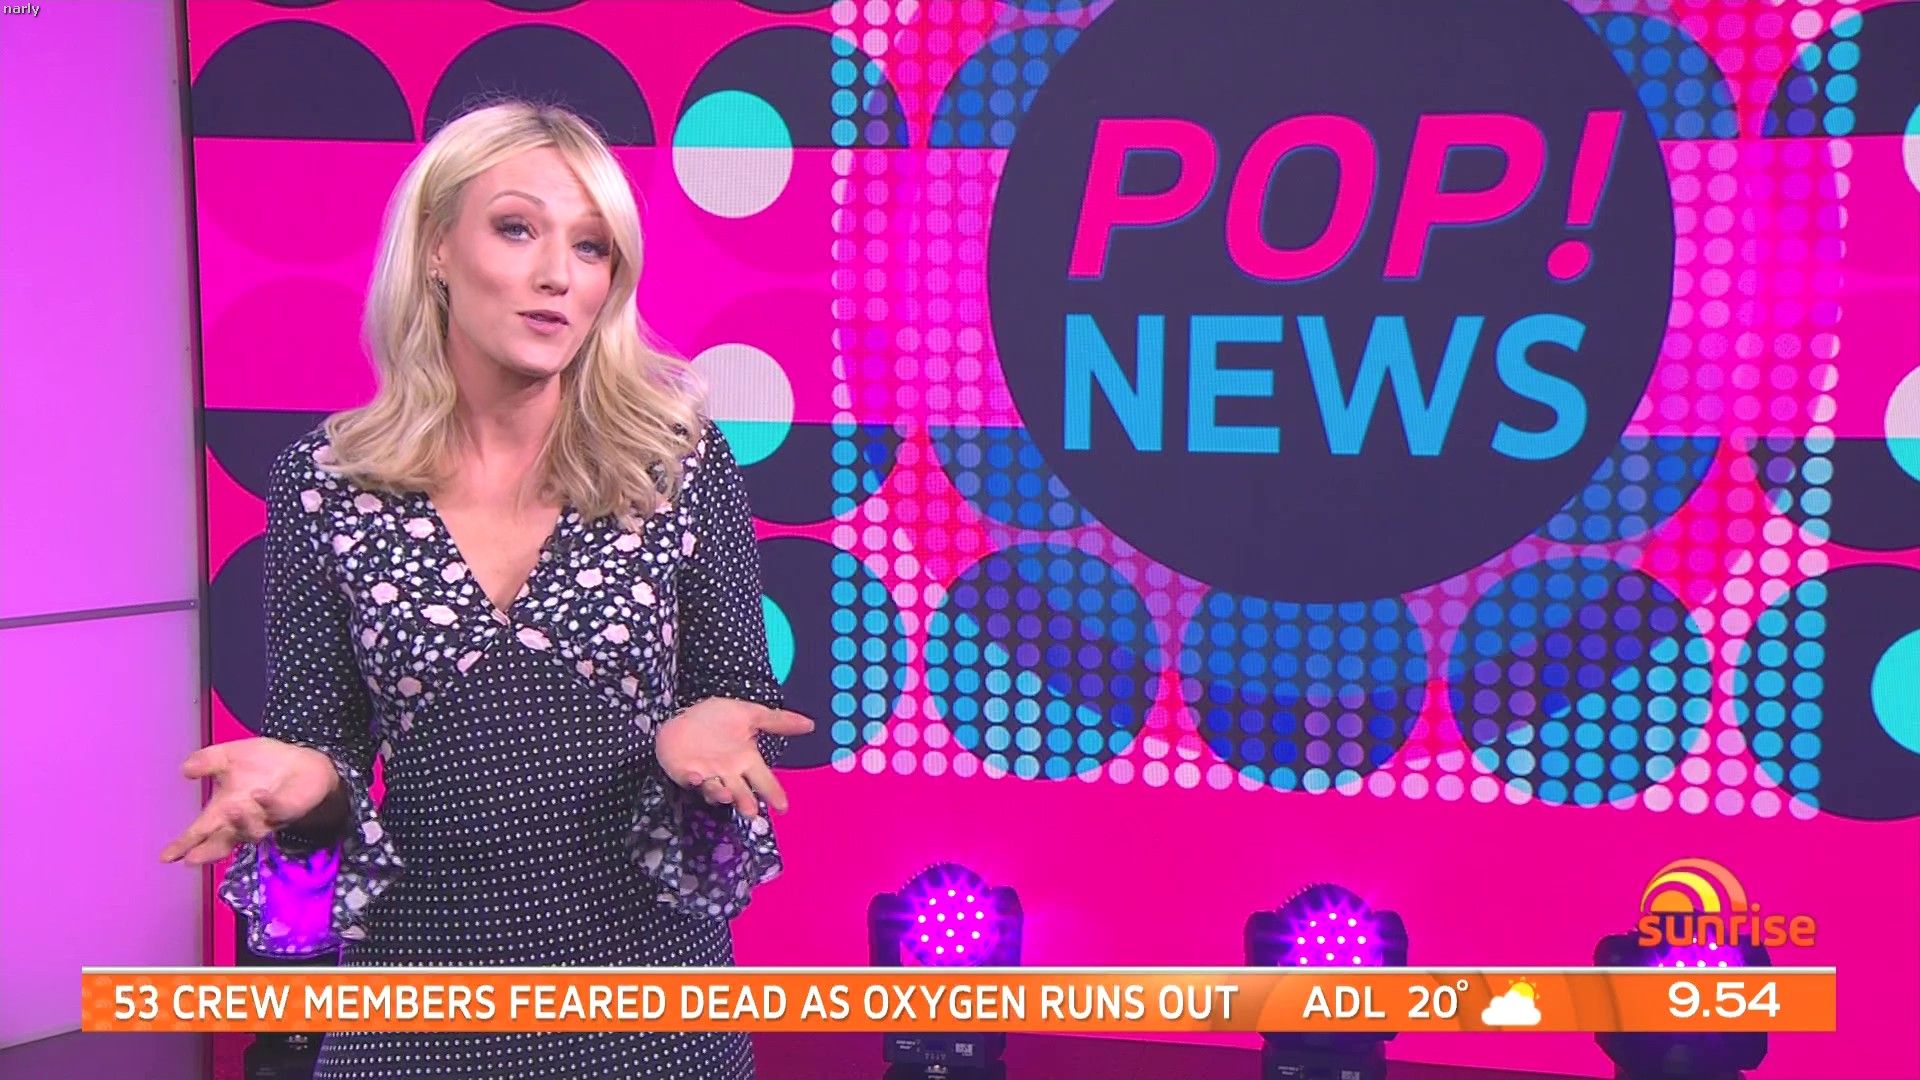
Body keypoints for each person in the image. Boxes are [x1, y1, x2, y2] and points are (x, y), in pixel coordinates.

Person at [159, 99, 813, 1079]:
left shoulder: (678, 462)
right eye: (517, 229)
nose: (558, 274)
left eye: (591, 247)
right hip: (417, 1011)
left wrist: (708, 740)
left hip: (654, 1013)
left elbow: (737, 712)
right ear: (436, 247)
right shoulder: (325, 484)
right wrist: (305, 802)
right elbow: (320, 767)